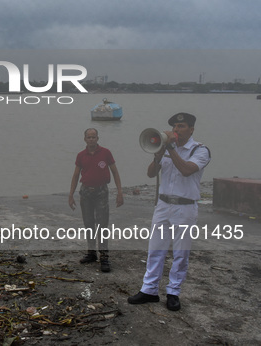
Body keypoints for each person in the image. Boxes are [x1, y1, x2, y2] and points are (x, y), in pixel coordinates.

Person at [128, 112, 210, 311]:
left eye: (181, 127)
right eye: (175, 127)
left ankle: (173, 292)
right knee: (155, 249)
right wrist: (158, 153)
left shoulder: (200, 150)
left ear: (191, 129)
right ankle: (149, 289)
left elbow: (187, 170)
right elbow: (150, 173)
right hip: (163, 205)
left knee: (181, 253)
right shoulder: (165, 149)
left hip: (185, 207)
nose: (176, 130)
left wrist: (171, 148)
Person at [69, 128, 124, 272]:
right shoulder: (81, 155)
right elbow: (75, 176)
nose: (91, 139)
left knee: (102, 224)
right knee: (88, 223)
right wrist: (71, 195)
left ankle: (104, 257)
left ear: (97, 138)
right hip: (86, 192)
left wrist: (120, 192)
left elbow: (115, 172)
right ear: (85, 139)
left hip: (101, 192)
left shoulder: (106, 153)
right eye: (89, 137)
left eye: (94, 137)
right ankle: (91, 253)